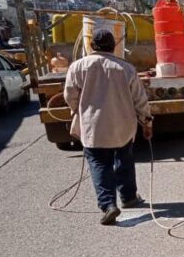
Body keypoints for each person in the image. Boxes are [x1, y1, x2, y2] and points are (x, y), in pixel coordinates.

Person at [64, 29, 153, 225]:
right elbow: (140, 99)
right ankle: (129, 197)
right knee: (124, 158)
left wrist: (76, 110)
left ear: (91, 46)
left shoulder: (77, 67)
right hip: (123, 124)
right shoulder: (126, 68)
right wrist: (146, 121)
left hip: (93, 125)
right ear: (114, 47)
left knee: (99, 163)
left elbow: (70, 96)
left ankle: (108, 205)